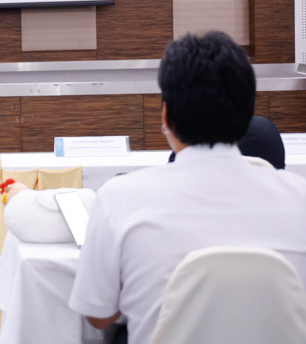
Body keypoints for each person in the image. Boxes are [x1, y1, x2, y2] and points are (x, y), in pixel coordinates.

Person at [68, 32, 306, 344]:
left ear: (166, 115)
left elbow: (98, 315)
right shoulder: (300, 198)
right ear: (248, 114)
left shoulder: (119, 198)